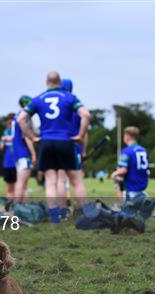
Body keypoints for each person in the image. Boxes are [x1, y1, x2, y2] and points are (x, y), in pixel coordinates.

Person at [17, 71, 91, 223]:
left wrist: (32, 137)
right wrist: (81, 135)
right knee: (76, 181)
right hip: (65, 141)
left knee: (51, 181)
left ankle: (54, 217)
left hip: (47, 142)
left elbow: (21, 119)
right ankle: (87, 215)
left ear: (47, 81)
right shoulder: (69, 97)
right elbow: (86, 115)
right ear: (59, 81)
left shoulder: (39, 98)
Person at [56, 78, 88, 218]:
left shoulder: (57, 104)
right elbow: (84, 133)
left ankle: (63, 211)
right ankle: (85, 210)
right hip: (74, 148)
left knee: (61, 180)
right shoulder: (77, 105)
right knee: (78, 182)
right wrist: (84, 150)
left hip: (59, 146)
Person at [110, 126, 150, 202]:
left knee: (117, 180)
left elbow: (123, 170)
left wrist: (114, 174)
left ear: (128, 136)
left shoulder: (127, 151)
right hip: (142, 185)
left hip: (131, 188)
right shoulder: (143, 149)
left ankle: (124, 204)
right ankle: (142, 196)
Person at [12, 96, 37, 203]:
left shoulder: (16, 116)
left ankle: (22, 207)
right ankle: (17, 207)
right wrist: (33, 154)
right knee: (22, 183)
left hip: (17, 153)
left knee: (22, 183)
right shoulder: (25, 117)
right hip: (24, 153)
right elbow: (27, 137)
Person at [0, 114, 17, 199]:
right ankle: (9, 203)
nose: (10, 123)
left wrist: (10, 138)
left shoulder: (18, 132)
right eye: (9, 121)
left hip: (17, 162)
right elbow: (1, 148)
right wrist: (3, 141)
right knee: (9, 186)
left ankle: (19, 204)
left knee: (18, 185)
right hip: (7, 163)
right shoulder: (5, 132)